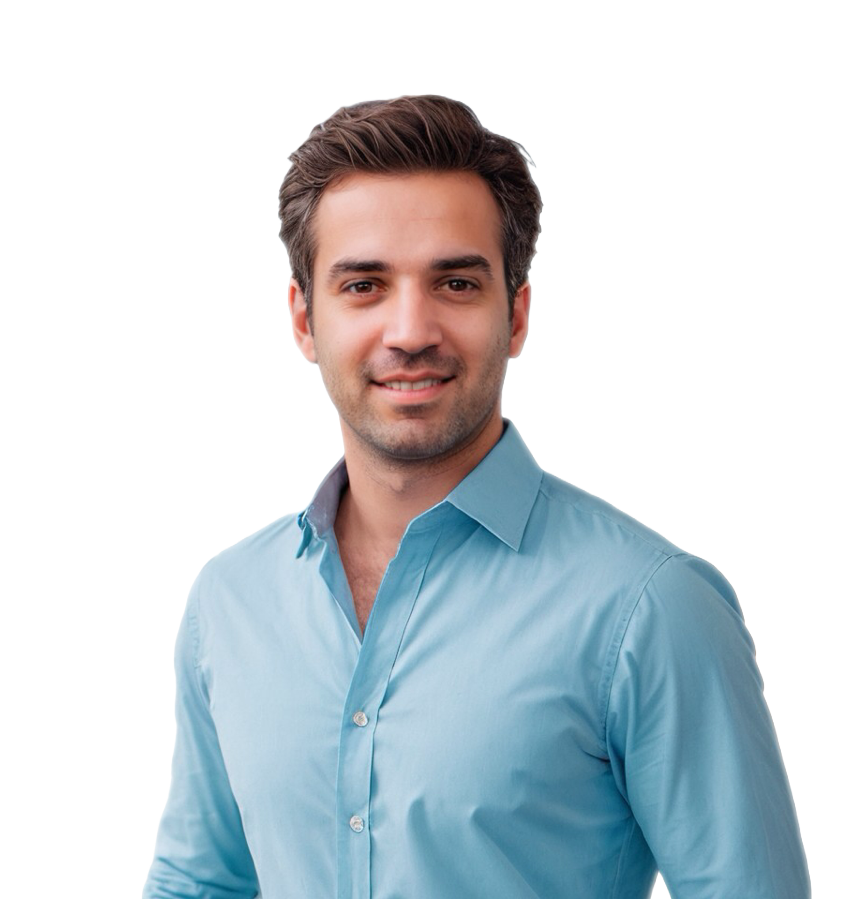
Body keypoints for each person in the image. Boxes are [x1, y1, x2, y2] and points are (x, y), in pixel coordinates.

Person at [143, 96, 810, 899]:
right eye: (364, 285)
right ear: (304, 319)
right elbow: (199, 885)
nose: (410, 330)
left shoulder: (649, 607)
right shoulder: (230, 602)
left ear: (516, 314)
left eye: (456, 282)